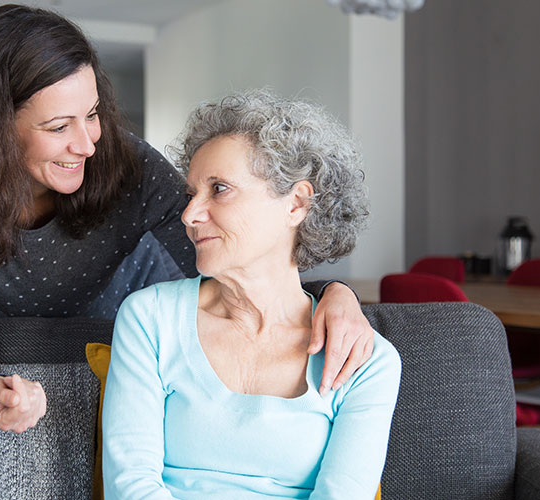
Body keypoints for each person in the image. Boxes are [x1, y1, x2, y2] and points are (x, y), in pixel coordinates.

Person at [0, 5, 373, 434]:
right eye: (59, 126)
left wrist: (333, 293)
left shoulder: (128, 165)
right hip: (24, 341)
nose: (87, 143)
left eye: (92, 113)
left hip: (136, 339)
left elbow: (242, 266)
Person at [102, 89, 401, 499]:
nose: (189, 215)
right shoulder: (149, 318)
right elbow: (131, 488)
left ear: (296, 204)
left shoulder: (367, 362)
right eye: (192, 194)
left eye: (219, 189)